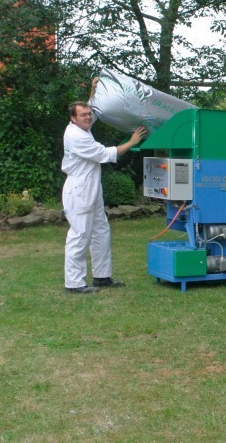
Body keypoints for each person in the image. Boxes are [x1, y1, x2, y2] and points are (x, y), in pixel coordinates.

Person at [62, 79, 147, 294]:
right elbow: (105, 154)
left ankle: (102, 276)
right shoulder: (76, 136)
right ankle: (74, 283)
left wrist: (93, 90)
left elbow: (93, 112)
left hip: (91, 189)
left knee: (101, 232)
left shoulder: (83, 126)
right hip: (79, 190)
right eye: (84, 115)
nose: (89, 116)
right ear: (73, 119)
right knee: (80, 235)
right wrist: (132, 142)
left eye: (89, 113)